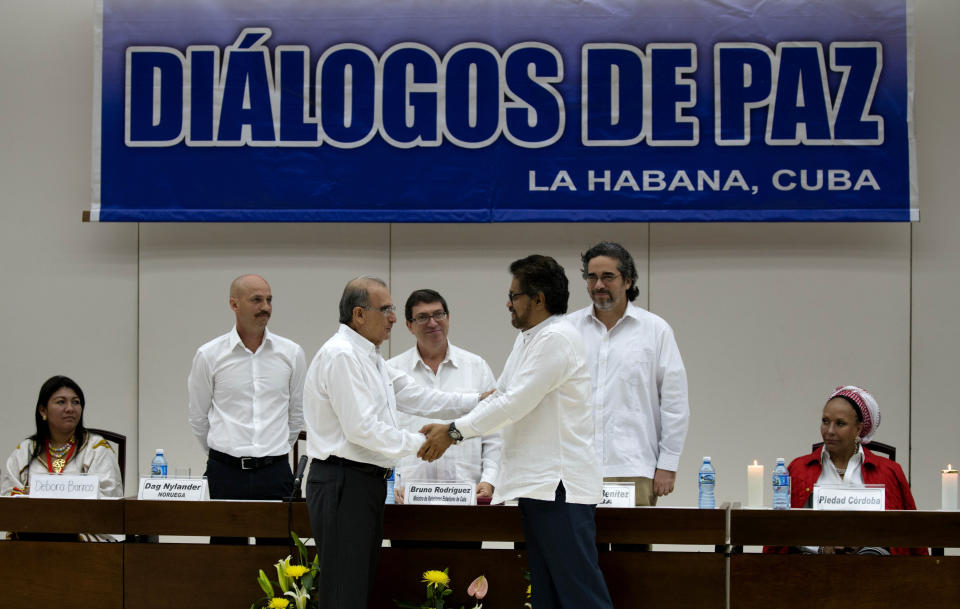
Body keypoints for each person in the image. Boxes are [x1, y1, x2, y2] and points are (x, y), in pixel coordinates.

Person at [420, 255, 613, 609]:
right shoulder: (529, 338)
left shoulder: (556, 338)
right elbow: (499, 396)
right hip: (537, 487)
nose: (508, 303)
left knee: (581, 597)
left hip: (560, 489)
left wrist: (453, 432)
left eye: (514, 295)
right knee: (547, 597)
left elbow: (513, 405)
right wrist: (451, 424)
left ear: (539, 299)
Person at [303, 276, 487, 609]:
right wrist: (426, 442)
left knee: (357, 585)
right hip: (343, 481)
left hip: (362, 483)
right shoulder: (342, 355)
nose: (392, 317)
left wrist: (479, 400)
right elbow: (362, 429)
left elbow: (417, 395)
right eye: (386, 309)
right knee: (345, 590)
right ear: (359, 314)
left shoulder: (369, 355)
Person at [567, 242, 689, 508]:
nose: (598, 285)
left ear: (627, 281)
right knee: (579, 550)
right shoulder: (566, 330)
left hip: (634, 467)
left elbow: (674, 403)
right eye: (592, 277)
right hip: (574, 469)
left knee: (631, 549)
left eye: (608, 277)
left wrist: (668, 464)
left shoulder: (655, 331)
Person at [187, 274, 305, 544]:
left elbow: (296, 414)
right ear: (234, 304)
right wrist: (224, 453)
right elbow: (198, 416)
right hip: (225, 472)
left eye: (269, 299)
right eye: (256, 300)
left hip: (274, 472)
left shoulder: (291, 353)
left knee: (279, 562)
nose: (265, 306)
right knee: (226, 561)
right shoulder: (209, 355)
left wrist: (272, 451)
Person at [765, 385, 927, 556]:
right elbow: (784, 530)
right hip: (811, 570)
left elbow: (905, 531)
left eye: (840, 423)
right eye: (825, 421)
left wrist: (865, 541)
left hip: (873, 570)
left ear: (858, 429)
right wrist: (822, 547)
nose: (829, 431)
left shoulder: (888, 471)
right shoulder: (799, 468)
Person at [389, 289, 500, 506]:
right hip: (409, 501)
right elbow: (384, 436)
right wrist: (390, 486)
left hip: (467, 498)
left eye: (438, 314)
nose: (432, 323)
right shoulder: (391, 371)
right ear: (409, 326)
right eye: (422, 317)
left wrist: (490, 479)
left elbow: (494, 434)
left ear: (448, 318)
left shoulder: (476, 367)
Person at [2, 376, 122, 541]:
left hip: (85, 540)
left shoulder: (96, 449)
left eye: (75, 402)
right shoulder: (25, 450)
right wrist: (28, 496)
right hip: (32, 536)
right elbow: (8, 498)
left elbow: (111, 501)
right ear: (43, 411)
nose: (70, 408)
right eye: (60, 402)